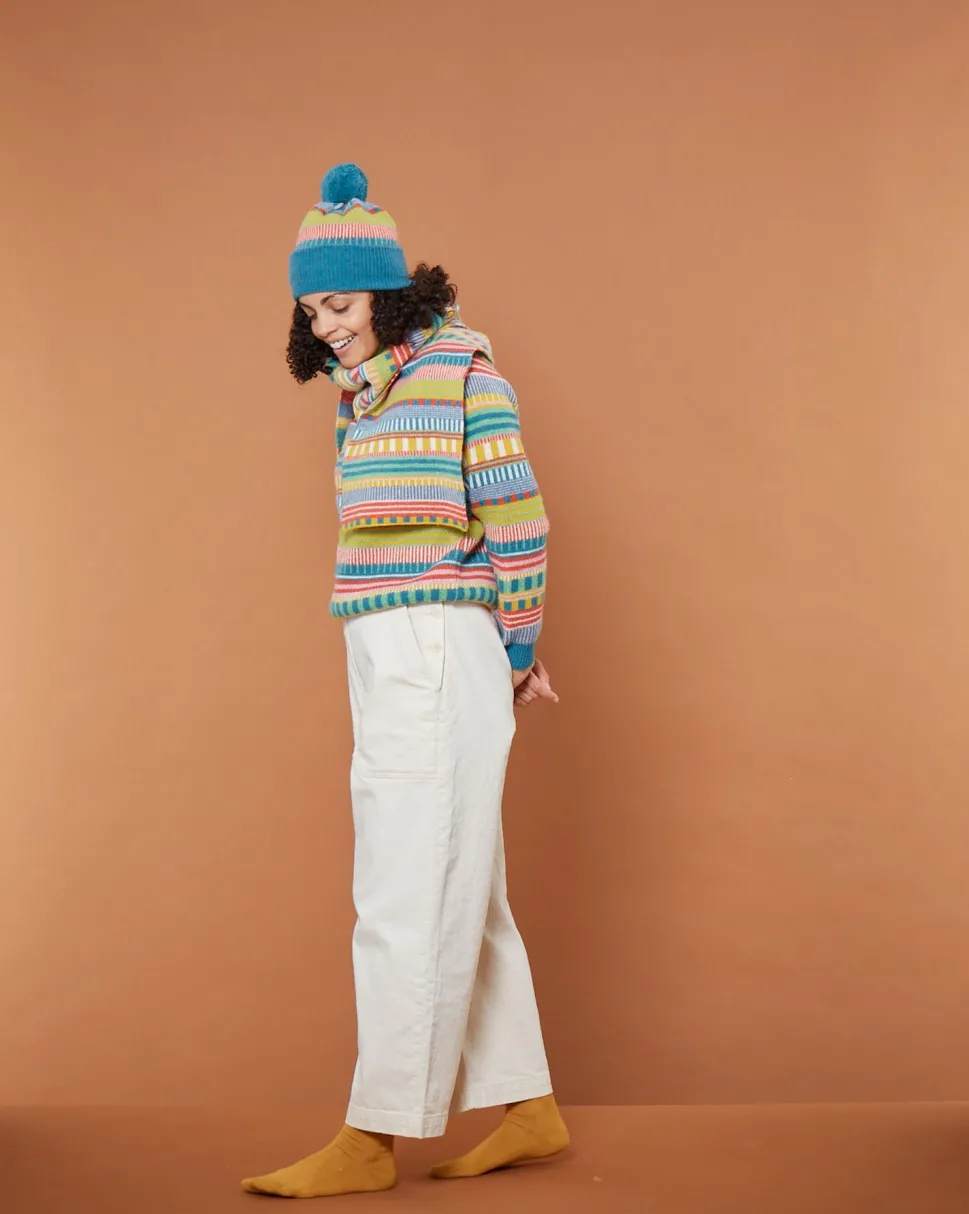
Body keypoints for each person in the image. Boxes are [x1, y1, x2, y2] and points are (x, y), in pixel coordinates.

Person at [242, 163, 568, 1199]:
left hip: (436, 644)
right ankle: (527, 1104)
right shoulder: (359, 397)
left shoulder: (466, 373)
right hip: (383, 645)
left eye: (339, 303)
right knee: (461, 879)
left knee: (404, 889)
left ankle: (373, 1134)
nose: (326, 325)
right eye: (312, 310)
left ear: (387, 290)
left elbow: (517, 517)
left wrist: (517, 650)